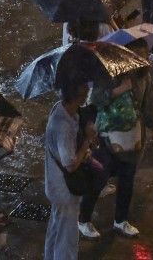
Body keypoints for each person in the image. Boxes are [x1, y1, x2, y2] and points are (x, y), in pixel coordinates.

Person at [77, 42, 153, 238]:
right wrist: (121, 88)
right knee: (98, 179)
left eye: (144, 55)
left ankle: (121, 220)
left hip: (133, 138)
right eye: (137, 54)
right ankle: (83, 220)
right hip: (107, 137)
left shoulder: (144, 77)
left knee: (127, 180)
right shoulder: (108, 74)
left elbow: (149, 102)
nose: (141, 59)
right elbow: (96, 100)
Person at [44, 79, 97, 260]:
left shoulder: (64, 111)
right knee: (67, 238)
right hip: (64, 189)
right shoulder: (63, 125)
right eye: (84, 92)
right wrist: (88, 141)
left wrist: (83, 150)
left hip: (57, 187)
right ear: (80, 97)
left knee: (56, 230)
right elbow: (70, 164)